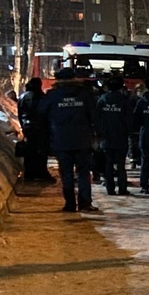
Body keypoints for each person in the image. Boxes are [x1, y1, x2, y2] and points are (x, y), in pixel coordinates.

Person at [43, 68, 100, 213]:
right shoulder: (85, 94)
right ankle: (85, 203)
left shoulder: (52, 95)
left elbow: (41, 114)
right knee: (83, 173)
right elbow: (94, 116)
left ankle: (69, 204)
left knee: (66, 174)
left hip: (61, 140)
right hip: (82, 139)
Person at [96, 77, 134, 196]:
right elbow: (129, 119)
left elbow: (97, 118)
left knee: (108, 163)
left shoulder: (102, 100)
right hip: (120, 137)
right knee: (121, 164)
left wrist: (99, 133)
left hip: (106, 137)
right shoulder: (124, 100)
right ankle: (122, 188)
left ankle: (110, 188)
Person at [17, 77, 52, 181]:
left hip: (27, 126)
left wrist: (23, 126)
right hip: (40, 127)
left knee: (30, 150)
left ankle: (29, 173)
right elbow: (44, 113)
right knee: (41, 150)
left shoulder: (23, 97)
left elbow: (19, 113)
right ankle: (41, 172)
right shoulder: (41, 97)